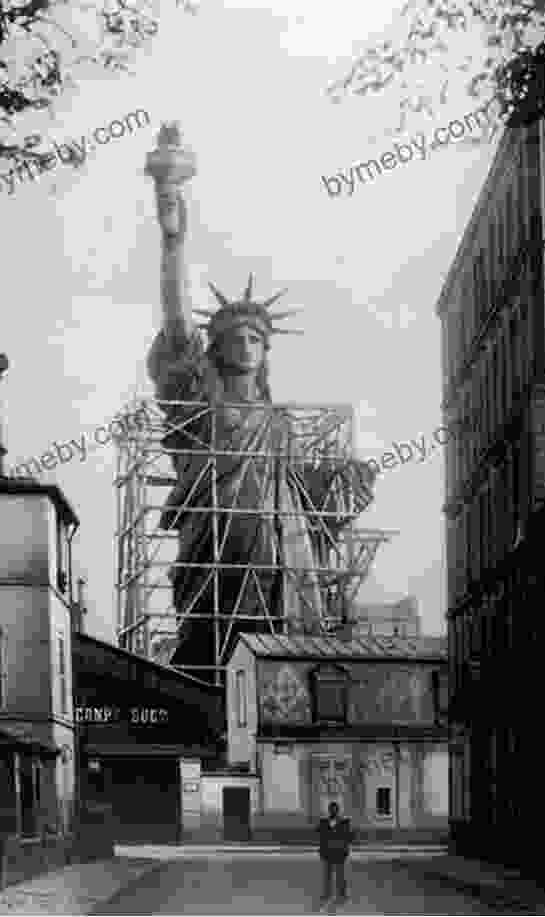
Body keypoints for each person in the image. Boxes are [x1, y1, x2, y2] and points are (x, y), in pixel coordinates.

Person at [145, 128, 376, 676]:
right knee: (209, 639)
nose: (245, 346)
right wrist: (173, 236)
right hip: (215, 541)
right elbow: (177, 321)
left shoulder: (278, 424)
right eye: (235, 339)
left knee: (273, 646)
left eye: (255, 339)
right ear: (217, 349)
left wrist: (344, 480)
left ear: (266, 350)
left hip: (273, 546)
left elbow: (302, 492)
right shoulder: (201, 399)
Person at [317, 801, 353, 909]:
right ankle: (327, 894)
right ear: (329, 811)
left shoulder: (344, 822)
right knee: (327, 876)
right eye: (331, 809)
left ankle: (342, 895)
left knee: (340, 875)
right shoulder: (324, 822)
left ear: (338, 810)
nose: (333, 811)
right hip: (327, 853)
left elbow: (349, 837)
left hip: (339, 853)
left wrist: (345, 847)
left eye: (335, 809)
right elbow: (319, 834)